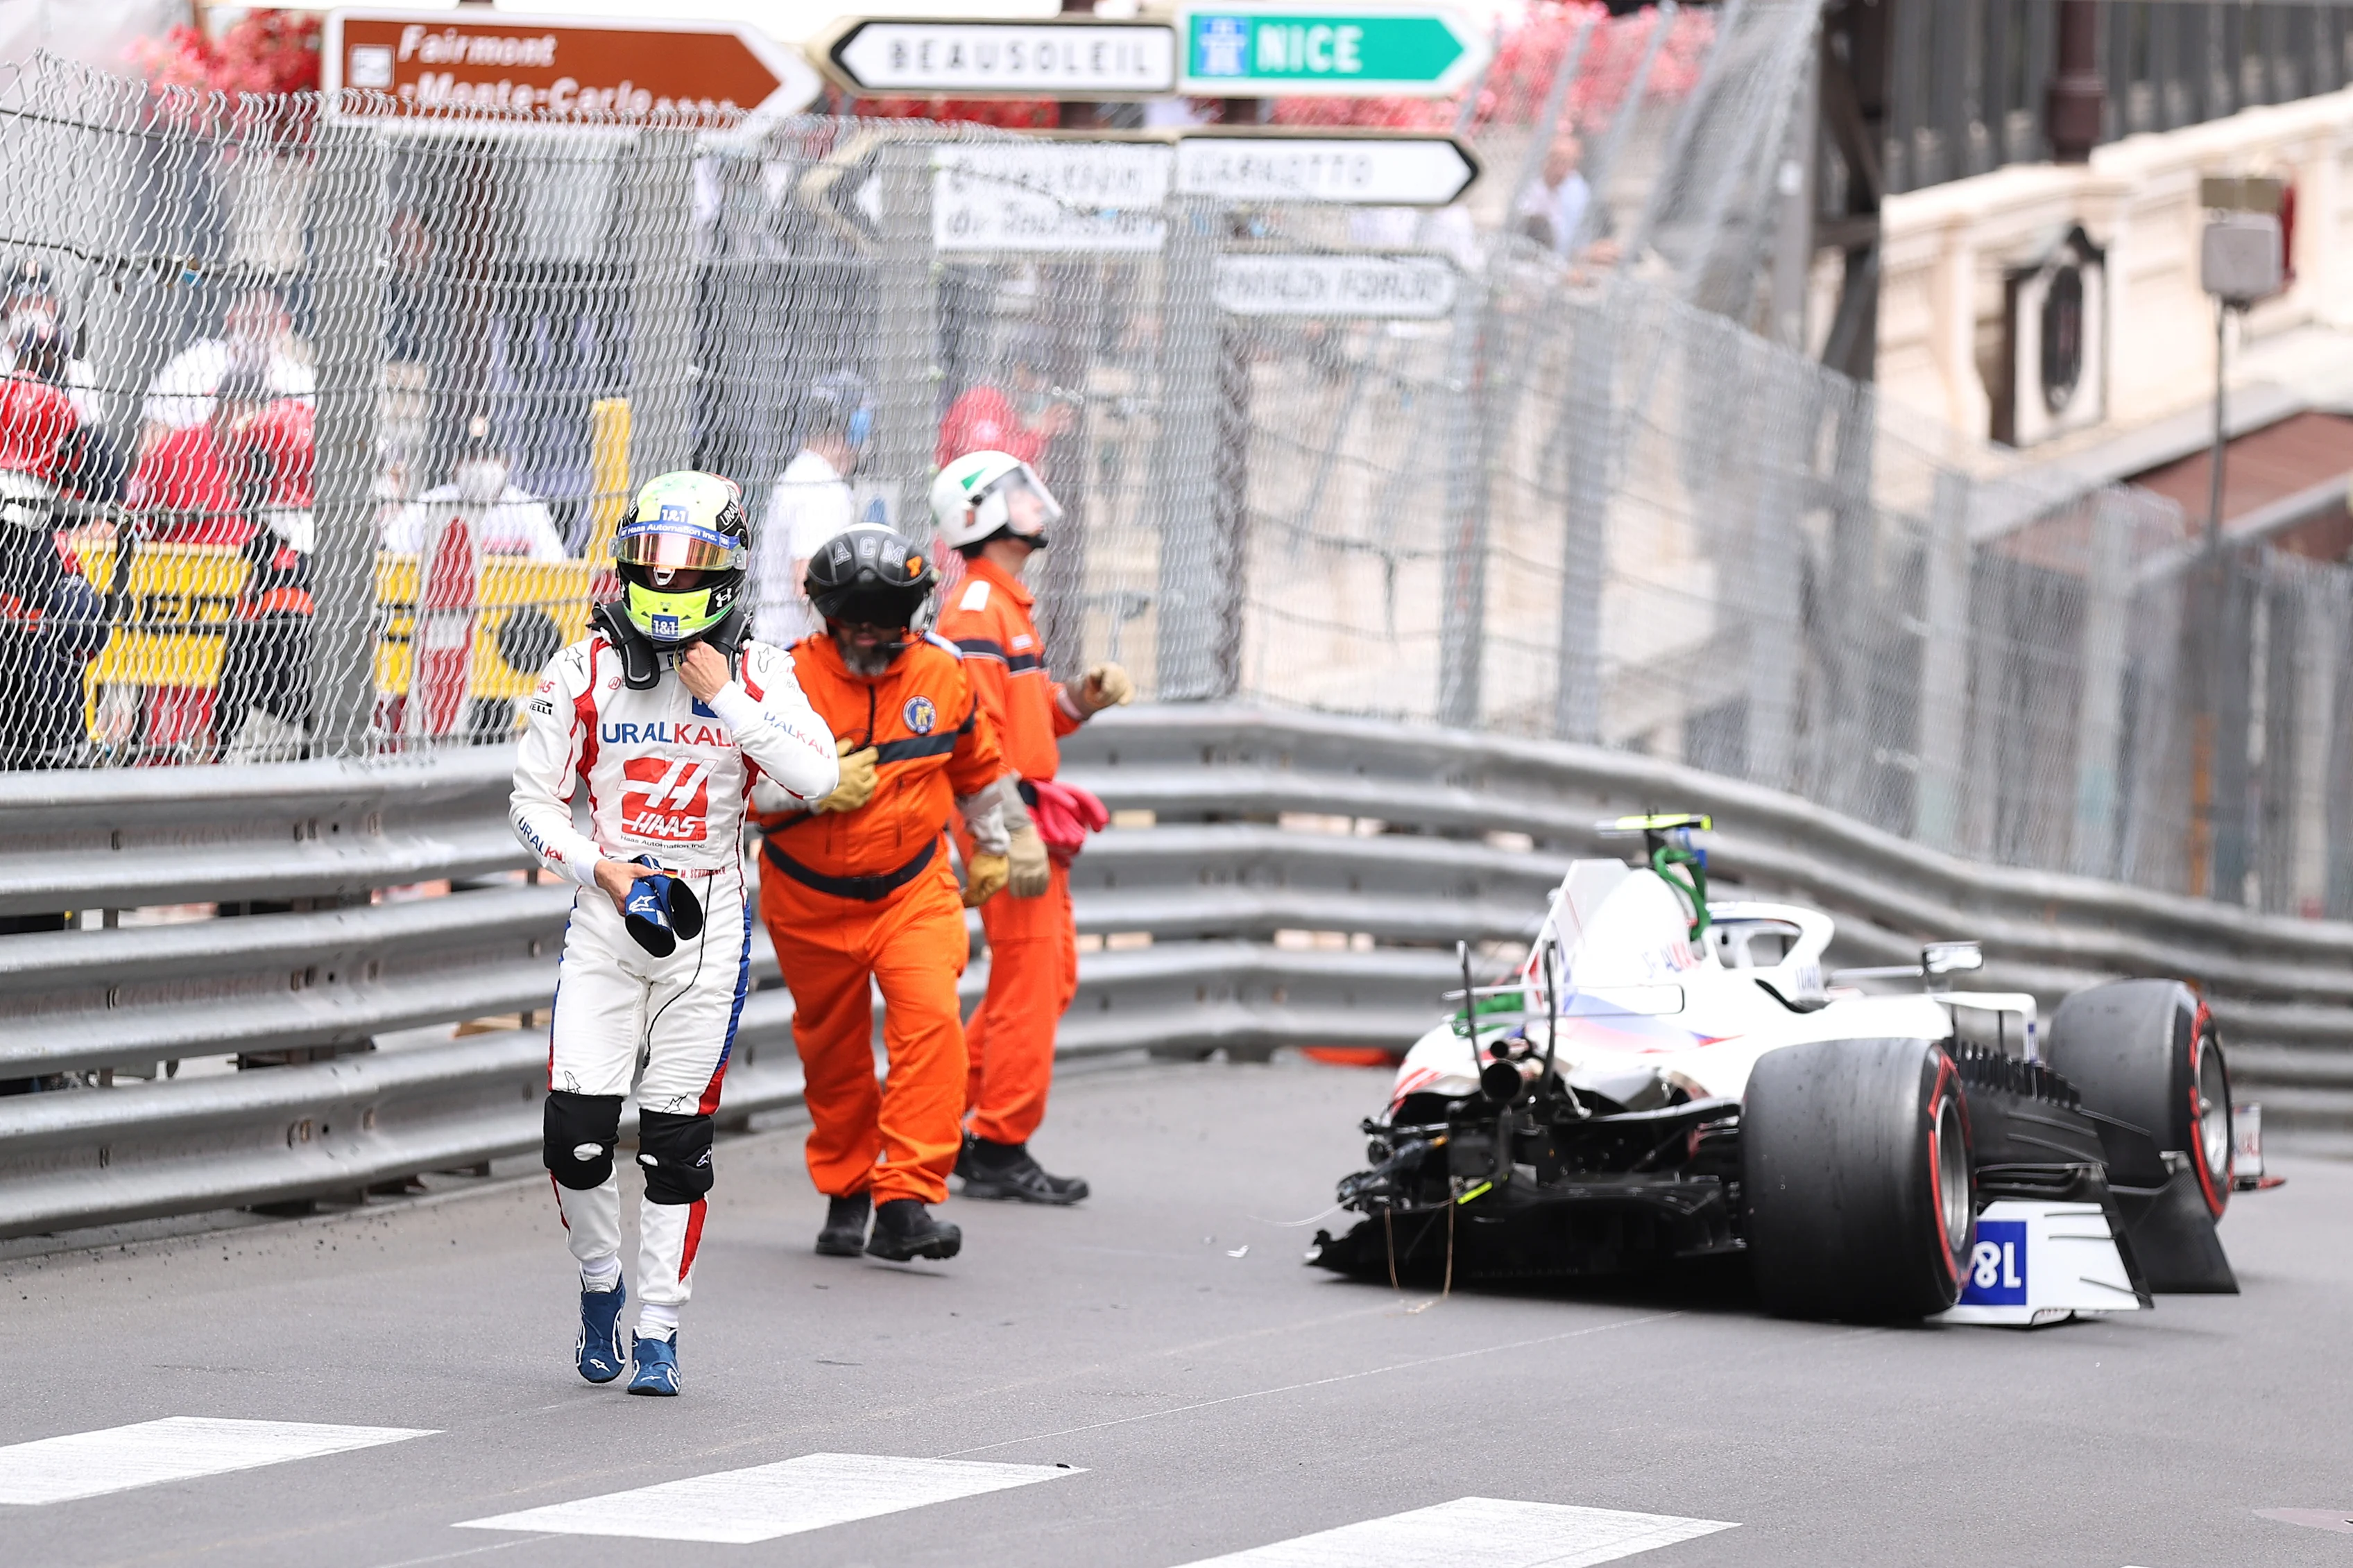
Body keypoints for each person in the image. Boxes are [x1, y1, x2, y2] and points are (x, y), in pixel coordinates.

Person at [508, 470, 838, 1397]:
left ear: (726, 574)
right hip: (607, 915)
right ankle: (599, 1281)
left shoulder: (763, 669)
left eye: (689, 563)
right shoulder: (582, 668)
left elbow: (818, 775)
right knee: (574, 1134)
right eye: (652, 557)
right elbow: (531, 805)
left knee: (673, 1140)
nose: (667, 576)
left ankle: (659, 1327)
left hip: (710, 923)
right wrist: (602, 870)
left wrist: (726, 698)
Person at [752, 525, 1016, 1264]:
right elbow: (735, 792)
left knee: (931, 1025)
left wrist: (995, 848)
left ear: (911, 616)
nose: (868, 635)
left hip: (913, 888)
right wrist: (811, 790)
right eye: (853, 621)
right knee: (832, 1052)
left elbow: (979, 767)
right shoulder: (782, 682)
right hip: (807, 898)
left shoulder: (944, 673)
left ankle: (905, 1198)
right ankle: (847, 1188)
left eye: (884, 621)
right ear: (826, 615)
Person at [930, 451, 1131, 1203]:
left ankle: (942, 1122)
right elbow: (971, 734)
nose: (1033, 501)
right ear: (981, 514)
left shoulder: (1003, 605)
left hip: (1021, 817)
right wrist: (1000, 832)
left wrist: (1076, 698)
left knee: (1045, 980)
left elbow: (1015, 715)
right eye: (1015, 492)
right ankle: (997, 1141)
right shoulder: (979, 610)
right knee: (1028, 982)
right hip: (1010, 821)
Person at [0, 311, 116, 768]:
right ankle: (56, 751)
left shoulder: (82, 433)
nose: (44, 364)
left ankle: (58, 749)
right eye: (36, 354)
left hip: (39, 547)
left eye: (52, 356)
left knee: (74, 609)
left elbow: (113, 511)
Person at [754, 372, 872, 644]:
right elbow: (809, 583)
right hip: (795, 651)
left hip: (781, 644)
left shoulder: (802, 471)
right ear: (855, 426)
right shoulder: (822, 486)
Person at [382, 419, 567, 561]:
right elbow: (393, 553)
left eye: (488, 456)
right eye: (471, 456)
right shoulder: (429, 505)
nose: (480, 464)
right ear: (455, 465)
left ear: (506, 462)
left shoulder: (528, 509)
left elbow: (555, 565)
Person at [935, 325, 1073, 471]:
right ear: (1021, 371)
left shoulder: (1008, 407)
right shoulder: (984, 401)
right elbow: (990, 468)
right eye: (1041, 379)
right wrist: (1039, 433)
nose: (1043, 387)